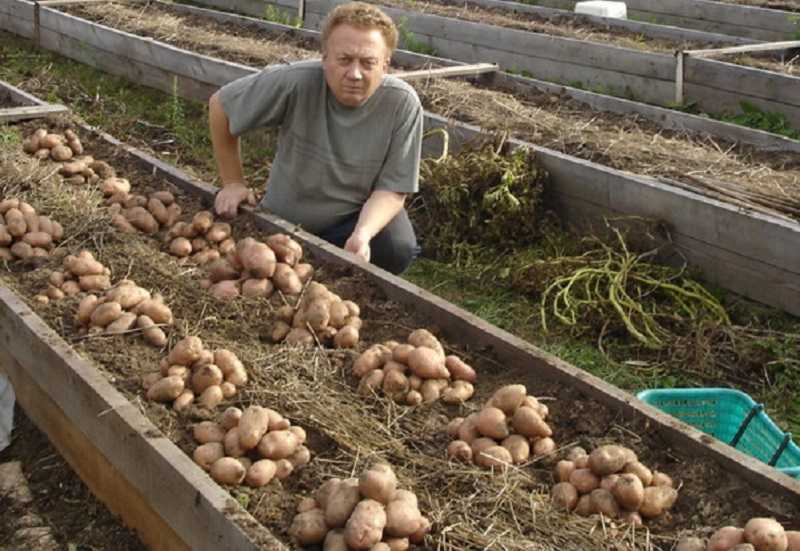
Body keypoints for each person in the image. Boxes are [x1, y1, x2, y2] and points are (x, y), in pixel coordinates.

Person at [208, 1, 423, 274]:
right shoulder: (296, 81)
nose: (354, 74)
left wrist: (363, 233)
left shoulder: (401, 104)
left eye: (368, 62)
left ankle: (352, 271)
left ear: (385, 65)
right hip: (285, 219)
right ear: (325, 58)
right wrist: (233, 183)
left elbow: (392, 190)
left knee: (397, 246)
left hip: (350, 221)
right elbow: (221, 106)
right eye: (344, 60)